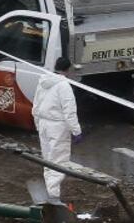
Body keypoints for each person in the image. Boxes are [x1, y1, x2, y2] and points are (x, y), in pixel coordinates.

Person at [32, 57, 82, 203]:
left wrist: (37, 124)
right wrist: (76, 131)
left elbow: (35, 105)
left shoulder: (43, 82)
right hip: (57, 127)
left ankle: (50, 192)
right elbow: (69, 111)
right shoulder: (64, 86)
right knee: (58, 161)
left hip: (44, 124)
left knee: (48, 160)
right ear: (68, 70)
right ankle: (53, 197)